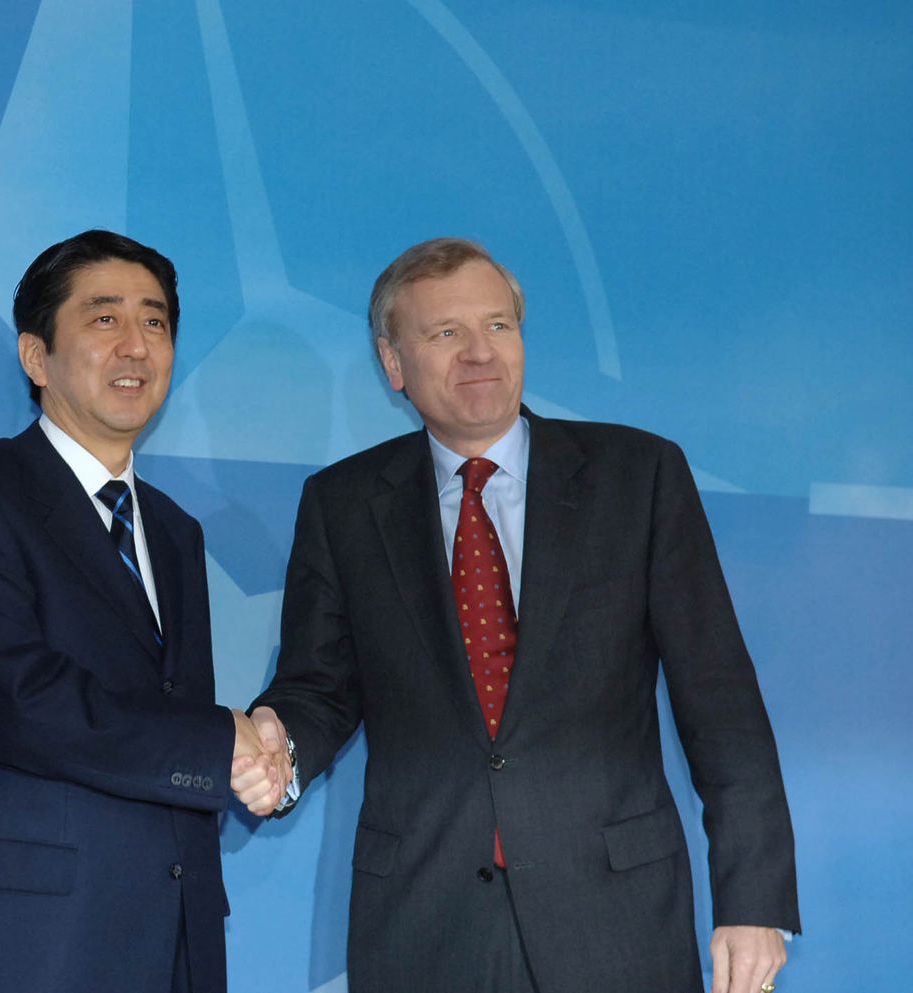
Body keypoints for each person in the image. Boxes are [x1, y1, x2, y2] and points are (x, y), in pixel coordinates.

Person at [246, 237, 800, 993]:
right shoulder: (343, 505)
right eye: (446, 333)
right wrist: (283, 742)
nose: (480, 352)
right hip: (422, 918)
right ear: (393, 363)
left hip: (616, 913)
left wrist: (753, 900)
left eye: (498, 325)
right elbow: (320, 686)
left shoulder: (638, 477)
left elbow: (722, 703)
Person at [0, 230, 285, 993]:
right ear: (36, 357)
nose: (136, 346)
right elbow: (18, 704)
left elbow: (164, 710)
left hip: (179, 937)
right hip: (31, 941)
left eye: (156, 322)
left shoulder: (175, 531)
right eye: (104, 319)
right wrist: (221, 743)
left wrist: (249, 752)